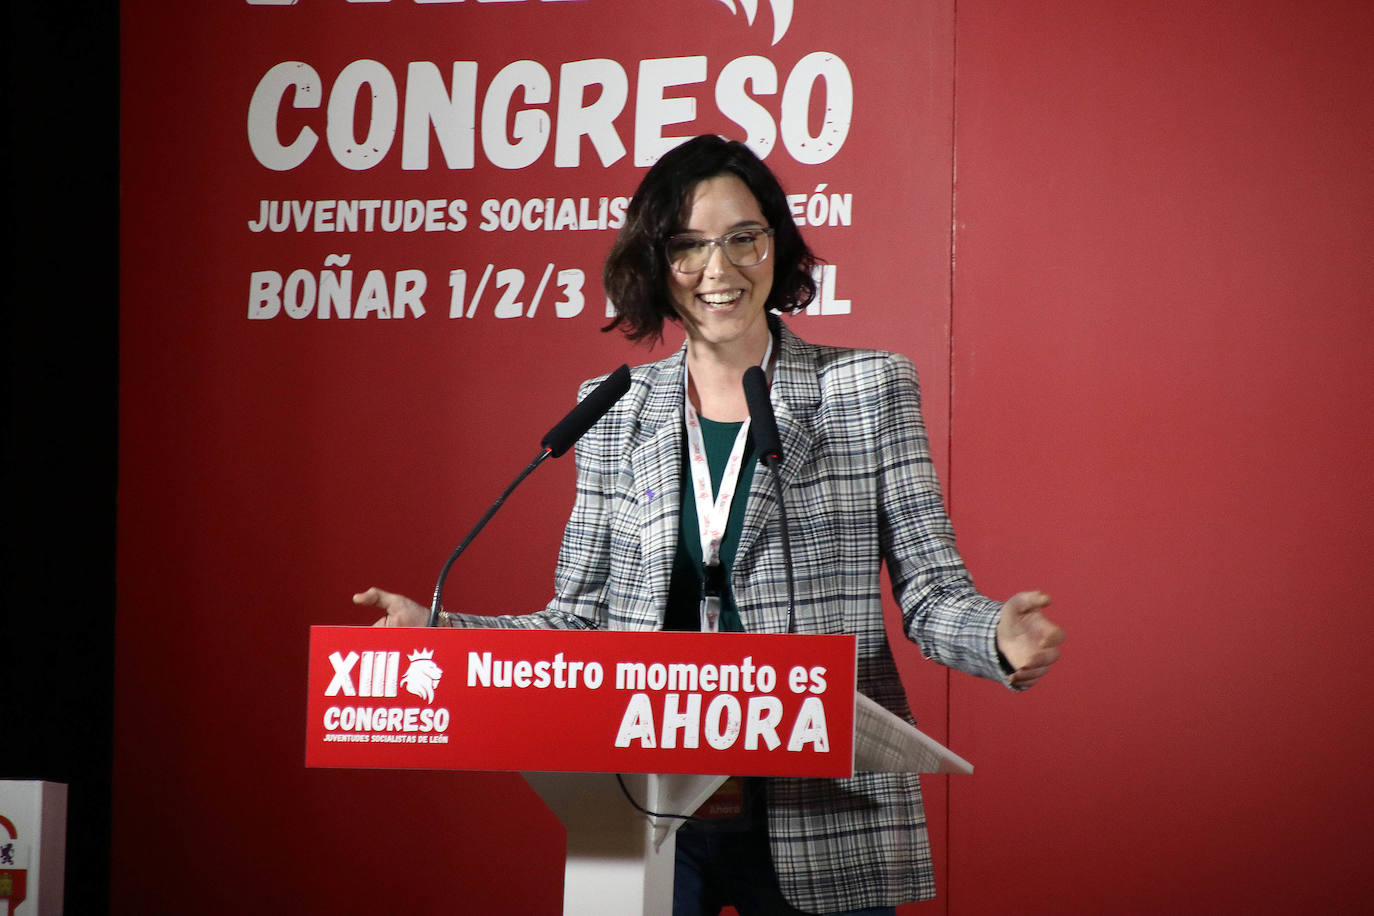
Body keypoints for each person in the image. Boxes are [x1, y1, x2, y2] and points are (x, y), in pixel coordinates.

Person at [354, 134, 1064, 916]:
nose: (718, 271)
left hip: (817, 806)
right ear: (657, 265)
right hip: (647, 799)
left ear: (777, 246)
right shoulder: (616, 407)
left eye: (742, 239)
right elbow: (578, 621)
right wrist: (440, 633)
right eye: (688, 246)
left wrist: (996, 636)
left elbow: (931, 593)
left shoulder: (867, 389)